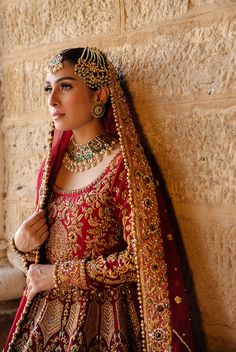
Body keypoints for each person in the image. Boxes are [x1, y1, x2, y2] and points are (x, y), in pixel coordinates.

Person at [4, 47, 196, 351]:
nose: (52, 100)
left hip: (106, 322)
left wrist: (60, 276)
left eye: (65, 86)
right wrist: (20, 244)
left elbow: (142, 260)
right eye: (48, 88)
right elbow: (39, 254)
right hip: (43, 316)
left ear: (100, 95)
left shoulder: (124, 166)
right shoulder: (51, 168)